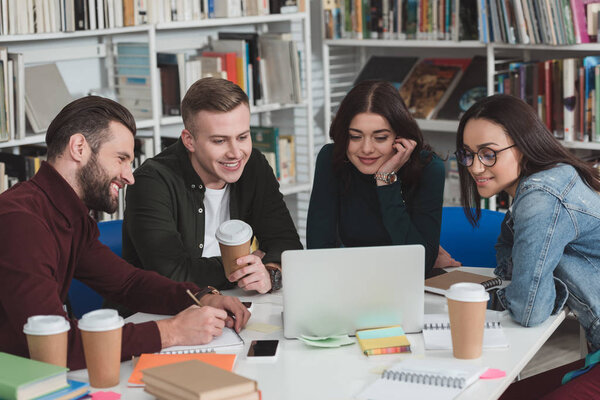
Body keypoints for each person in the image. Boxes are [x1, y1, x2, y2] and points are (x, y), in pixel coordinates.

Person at [0, 96, 250, 370]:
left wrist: (200, 296)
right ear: (79, 148)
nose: (129, 176)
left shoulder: (68, 214)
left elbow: (127, 283)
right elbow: (57, 347)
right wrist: (171, 332)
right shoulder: (21, 223)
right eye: (121, 159)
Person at [455, 94, 600, 398]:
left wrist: (531, 289)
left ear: (522, 147)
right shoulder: (546, 183)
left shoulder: (541, 196)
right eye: (468, 154)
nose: (476, 168)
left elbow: (530, 309)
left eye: (488, 153)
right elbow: (513, 276)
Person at [121, 77, 302, 296]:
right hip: (161, 312)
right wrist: (245, 266)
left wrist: (270, 272)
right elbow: (171, 274)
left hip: (234, 301)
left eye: (243, 137)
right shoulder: (151, 181)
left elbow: (287, 245)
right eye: (219, 141)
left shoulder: (253, 165)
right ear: (189, 141)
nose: (236, 153)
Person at [306, 80, 449, 276]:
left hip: (408, 285)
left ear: (400, 137)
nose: (366, 149)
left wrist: (386, 181)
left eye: (380, 137)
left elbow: (420, 265)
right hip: (351, 281)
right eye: (355, 137)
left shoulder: (429, 169)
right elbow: (318, 253)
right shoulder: (332, 159)